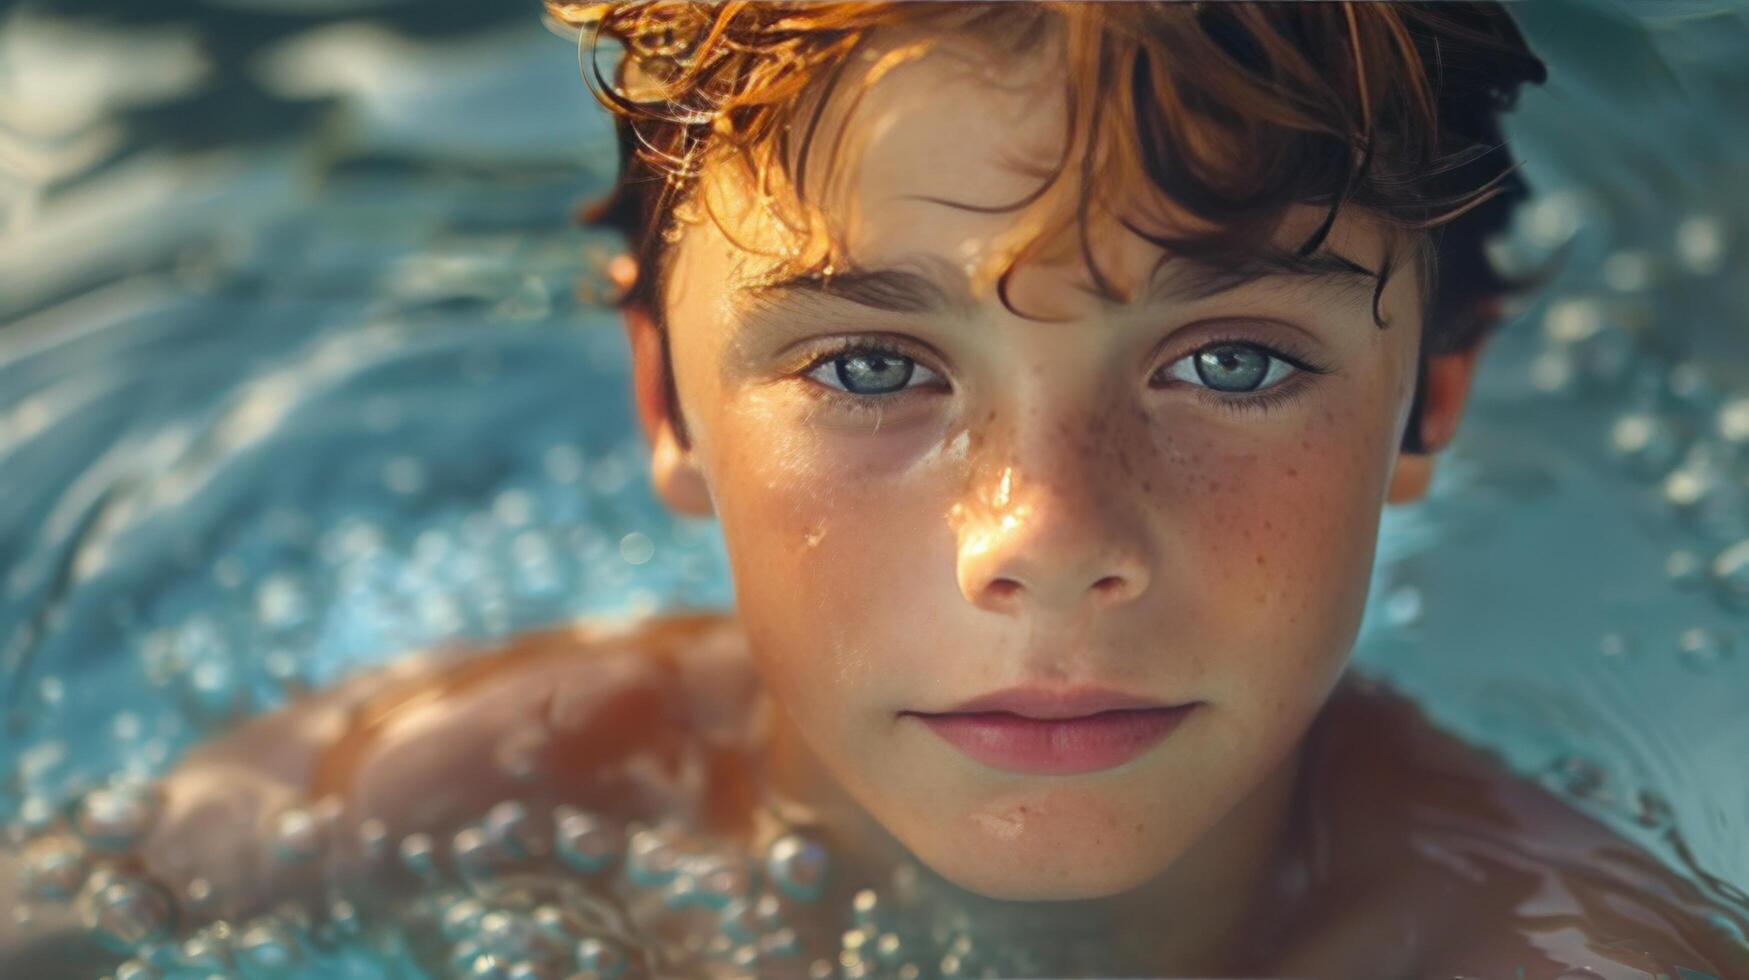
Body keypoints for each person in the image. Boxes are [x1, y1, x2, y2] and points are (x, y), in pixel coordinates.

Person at [14, 3, 1748, 978]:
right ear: (666, 402)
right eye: (868, 368)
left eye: (1227, 363)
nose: (1047, 538)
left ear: (1430, 388)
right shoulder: (491, 785)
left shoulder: (1563, 958)